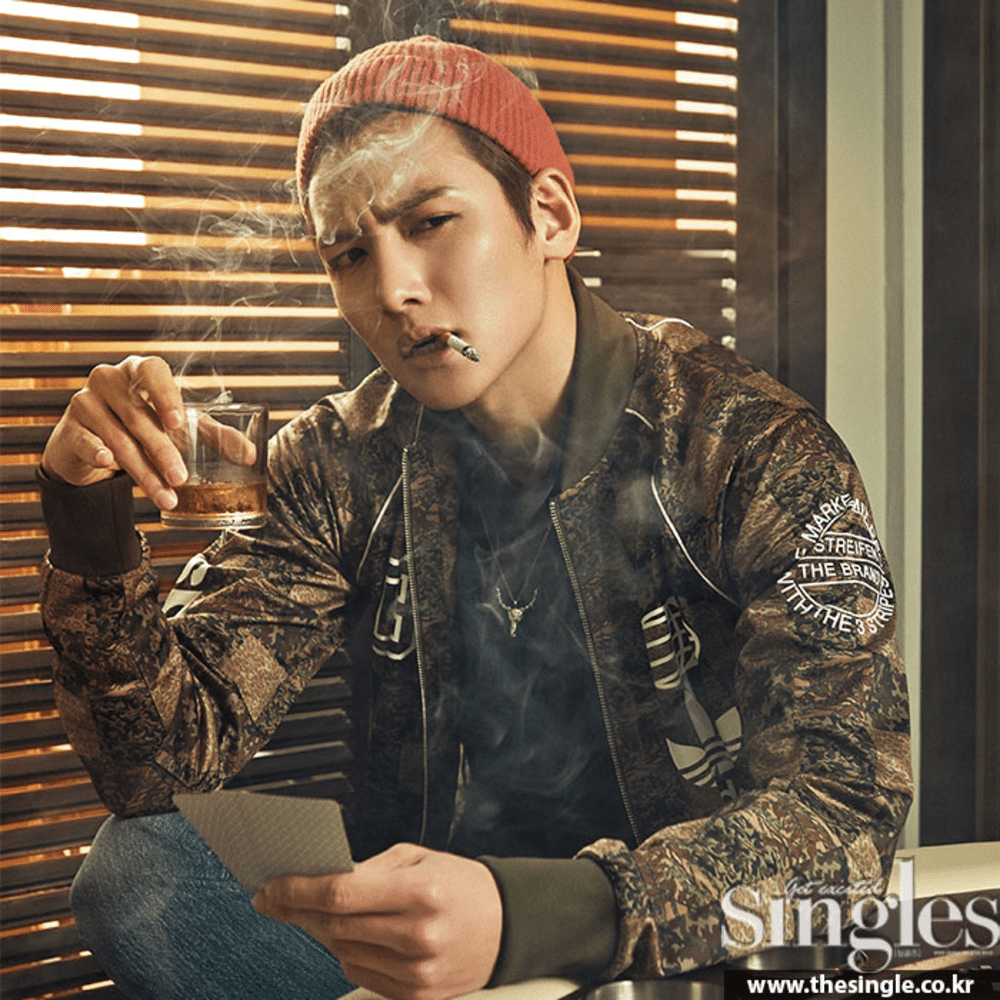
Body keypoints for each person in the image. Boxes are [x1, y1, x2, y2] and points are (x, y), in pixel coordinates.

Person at [38, 34, 913, 1000]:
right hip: (418, 943)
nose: (394, 290)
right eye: (349, 254)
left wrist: (533, 917)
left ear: (551, 215)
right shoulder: (340, 459)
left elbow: (844, 816)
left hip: (661, 950)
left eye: (432, 222)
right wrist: (87, 515)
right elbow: (157, 767)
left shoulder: (749, 447)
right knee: (137, 871)